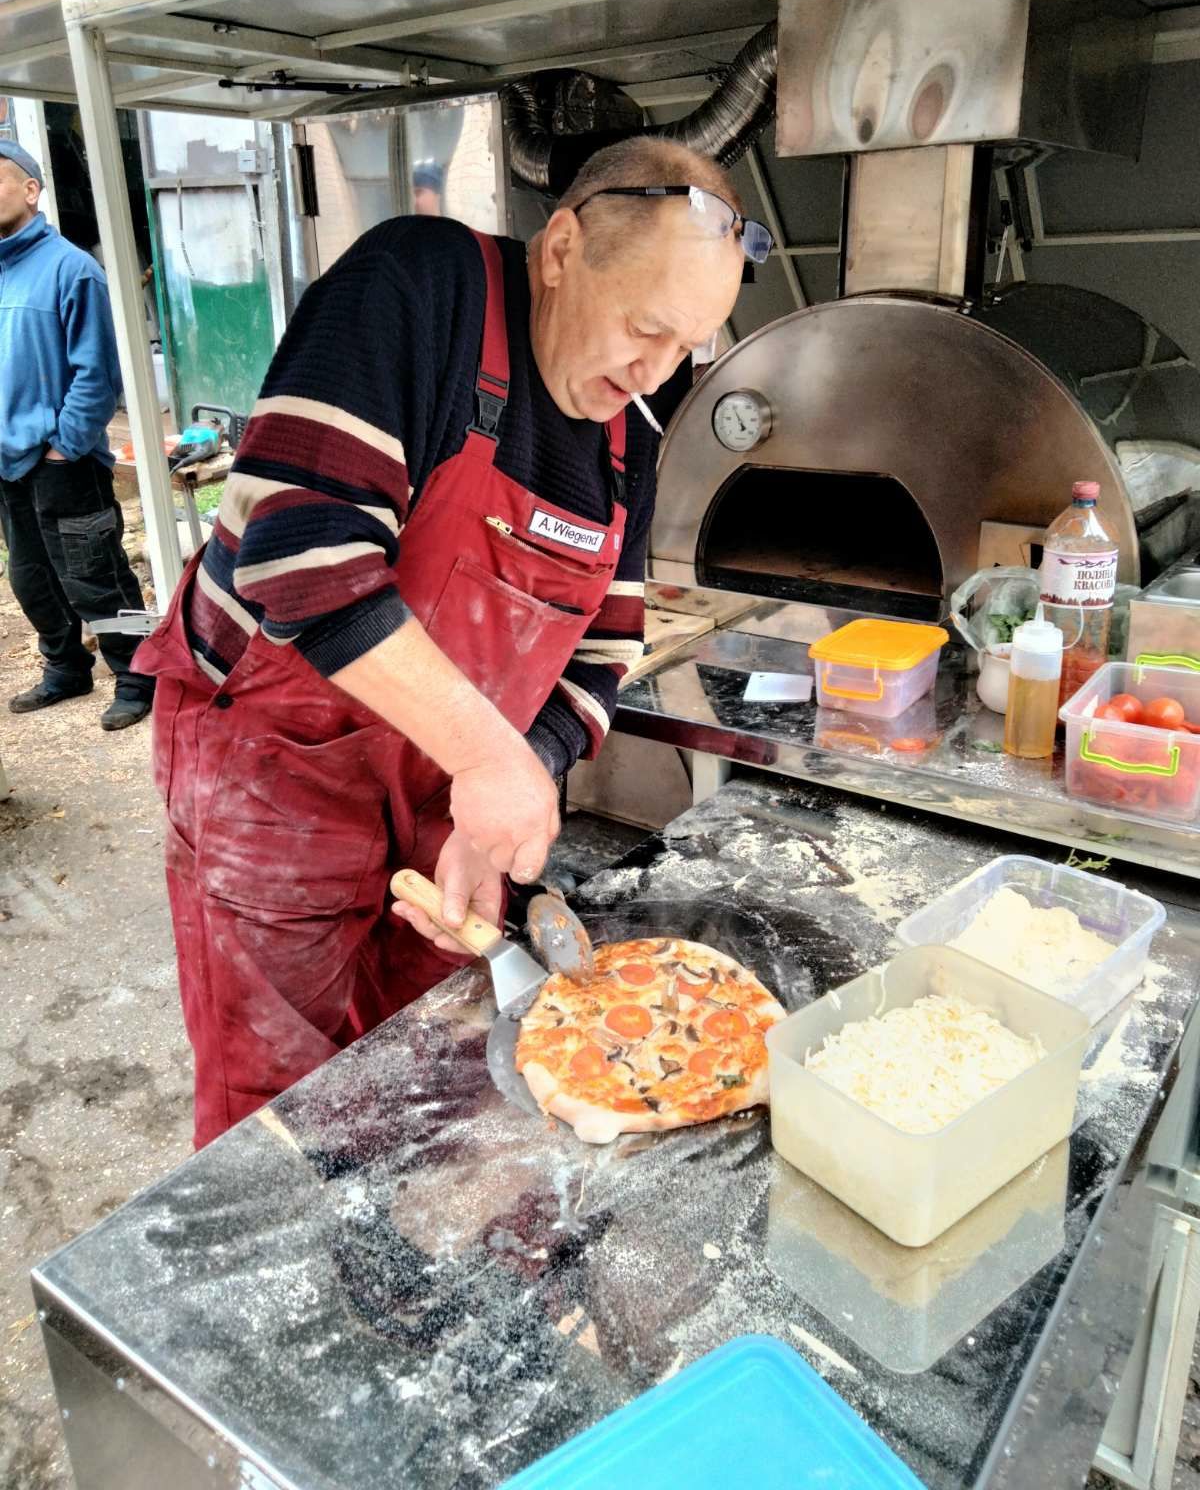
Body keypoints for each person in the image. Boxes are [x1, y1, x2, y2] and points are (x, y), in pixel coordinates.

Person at [134, 134, 769, 1146]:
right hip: (277, 768)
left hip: (443, 791)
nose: (658, 368)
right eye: (645, 326)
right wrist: (491, 755)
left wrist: (506, 785)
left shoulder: (631, 429)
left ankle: (387, 1284)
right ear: (561, 249)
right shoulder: (419, 289)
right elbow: (304, 557)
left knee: (425, 1060)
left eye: (687, 342)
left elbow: (607, 642)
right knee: (283, 1102)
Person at [0, 140, 156, 730]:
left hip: (63, 461)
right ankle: (65, 670)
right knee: (31, 578)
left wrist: (66, 444)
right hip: (8, 463)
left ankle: (140, 673)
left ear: (32, 190)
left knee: (97, 576)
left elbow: (98, 373)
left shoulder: (72, 269)